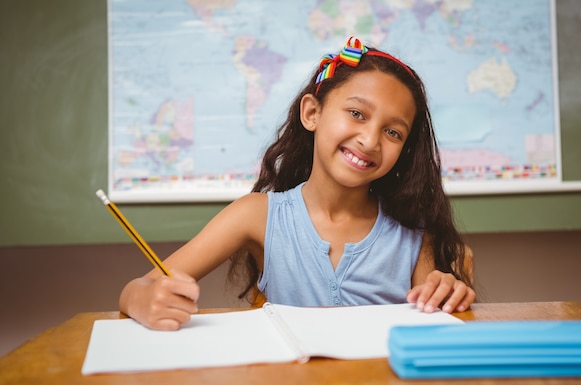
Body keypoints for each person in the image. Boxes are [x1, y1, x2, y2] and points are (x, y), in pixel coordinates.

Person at [119, 37, 476, 330]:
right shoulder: (256, 215)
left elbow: (434, 322)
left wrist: (445, 293)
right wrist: (141, 298)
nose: (370, 140)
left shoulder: (414, 233)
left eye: (393, 132)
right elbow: (139, 287)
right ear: (312, 113)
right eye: (356, 114)